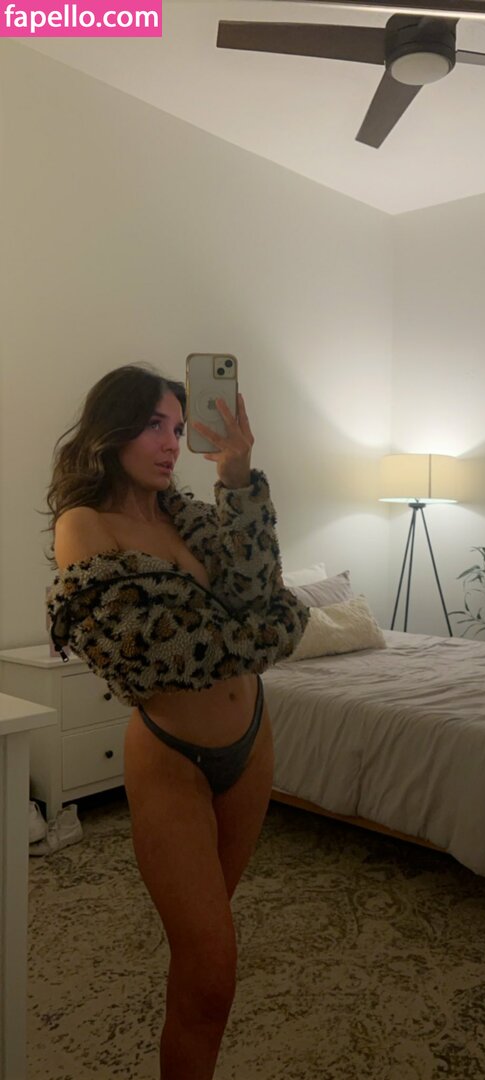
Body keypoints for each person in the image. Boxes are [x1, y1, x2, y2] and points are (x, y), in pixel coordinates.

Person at [44, 363, 310, 1080]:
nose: (170, 443)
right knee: (214, 972)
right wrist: (276, 630)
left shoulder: (190, 515)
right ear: (112, 431)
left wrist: (237, 478)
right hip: (172, 757)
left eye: (178, 428)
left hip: (252, 743)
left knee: (203, 954)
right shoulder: (85, 525)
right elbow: (152, 657)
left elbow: (259, 587)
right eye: (153, 426)